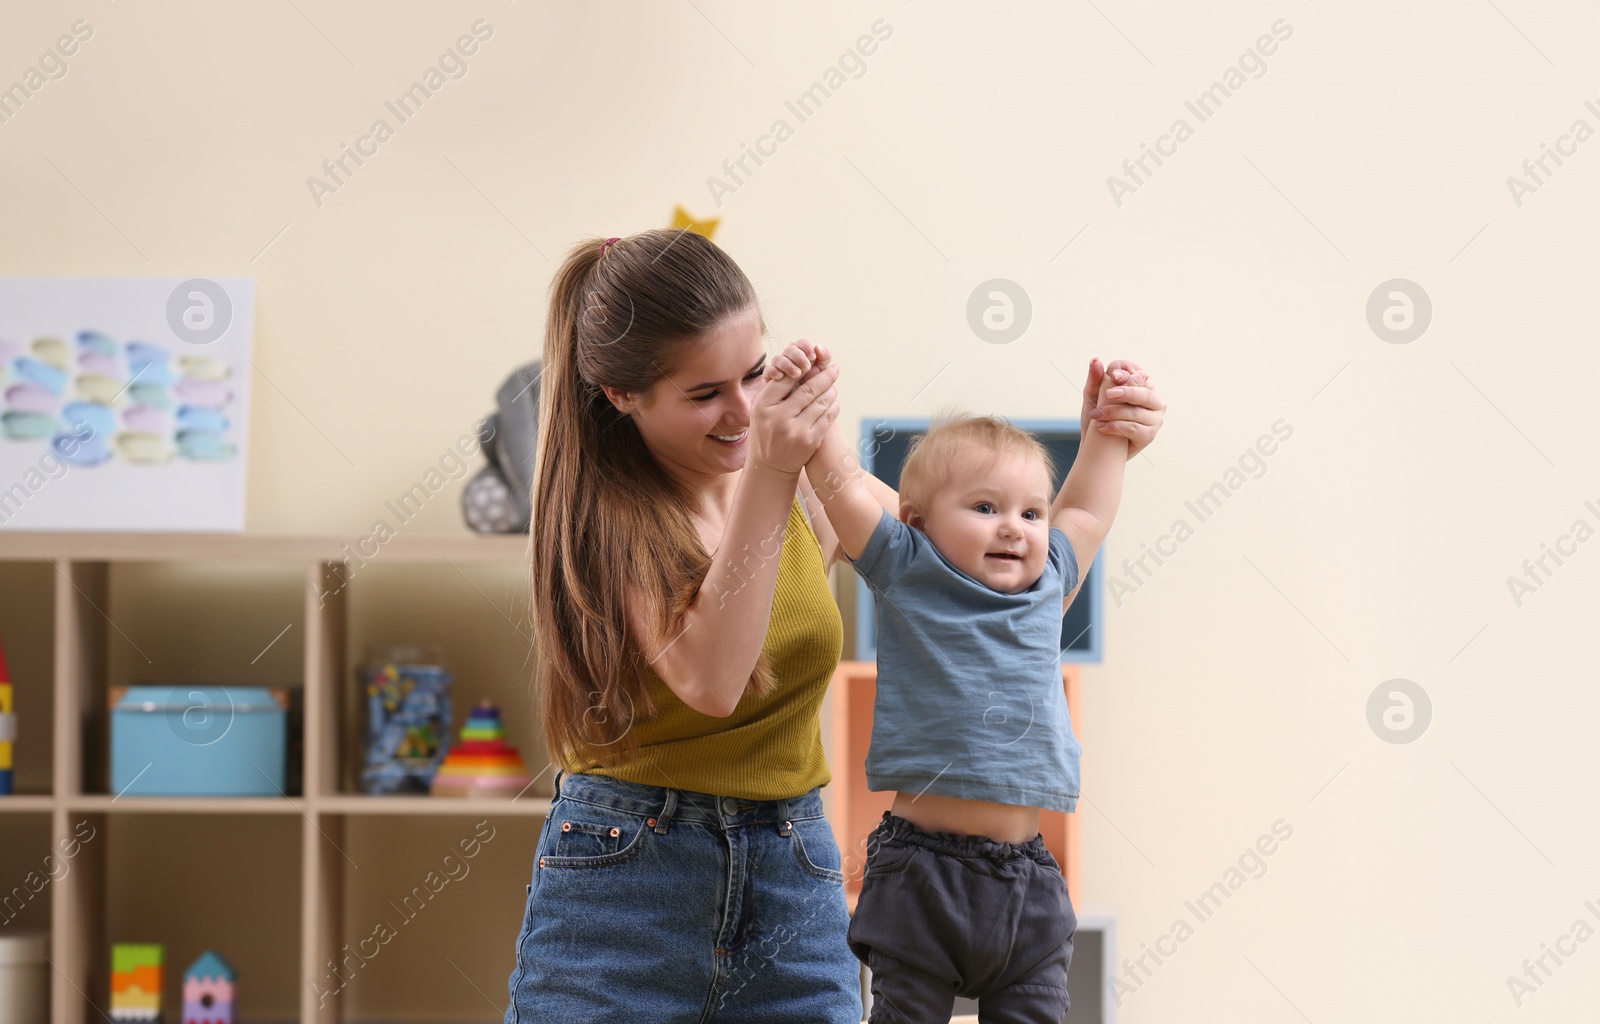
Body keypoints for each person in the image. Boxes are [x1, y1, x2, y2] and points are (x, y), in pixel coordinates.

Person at [503, 226, 1165, 1023]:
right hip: (627, 880)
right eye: (705, 393)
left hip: (791, 872)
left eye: (753, 373)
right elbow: (713, 680)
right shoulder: (608, 520)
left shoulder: (811, 486)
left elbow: (997, 600)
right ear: (622, 396)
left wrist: (1110, 440)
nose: (742, 411)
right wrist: (776, 471)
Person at [774, 340, 1161, 1022]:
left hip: (1028, 878)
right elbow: (838, 486)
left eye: (1029, 513)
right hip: (922, 874)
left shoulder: (1049, 582)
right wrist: (816, 408)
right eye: (985, 507)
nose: (1014, 527)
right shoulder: (906, 567)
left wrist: (1104, 433)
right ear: (917, 522)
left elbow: (1089, 513)